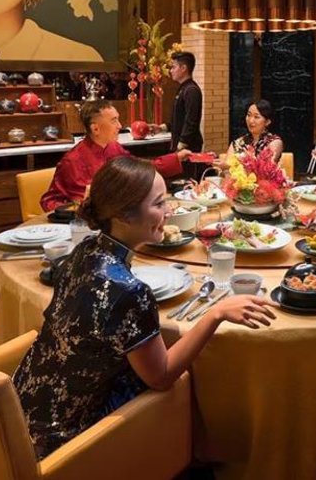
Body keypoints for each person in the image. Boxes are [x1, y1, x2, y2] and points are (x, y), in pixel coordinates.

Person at [14, 157, 277, 458]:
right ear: (124, 215)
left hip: (22, 413)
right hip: (65, 441)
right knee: (191, 384)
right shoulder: (128, 291)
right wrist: (216, 313)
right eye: (159, 203)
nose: (168, 211)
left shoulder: (83, 251)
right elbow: (161, 377)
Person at [41, 100, 190, 211]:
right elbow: (49, 200)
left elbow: (139, 168)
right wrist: (75, 209)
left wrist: (176, 158)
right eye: (114, 121)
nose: (119, 125)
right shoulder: (72, 160)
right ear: (95, 129)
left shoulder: (114, 147)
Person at [160, 51, 204, 152]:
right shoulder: (183, 88)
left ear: (183, 68)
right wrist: (161, 128)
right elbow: (179, 120)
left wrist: (181, 145)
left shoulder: (191, 90)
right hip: (179, 144)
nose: (171, 71)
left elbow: (191, 122)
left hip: (188, 147)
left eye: (173, 67)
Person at [221, 100, 284, 165]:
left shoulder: (274, 142)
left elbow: (266, 167)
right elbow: (226, 167)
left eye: (256, 117)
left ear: (267, 122)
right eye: (249, 115)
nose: (251, 121)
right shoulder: (237, 143)